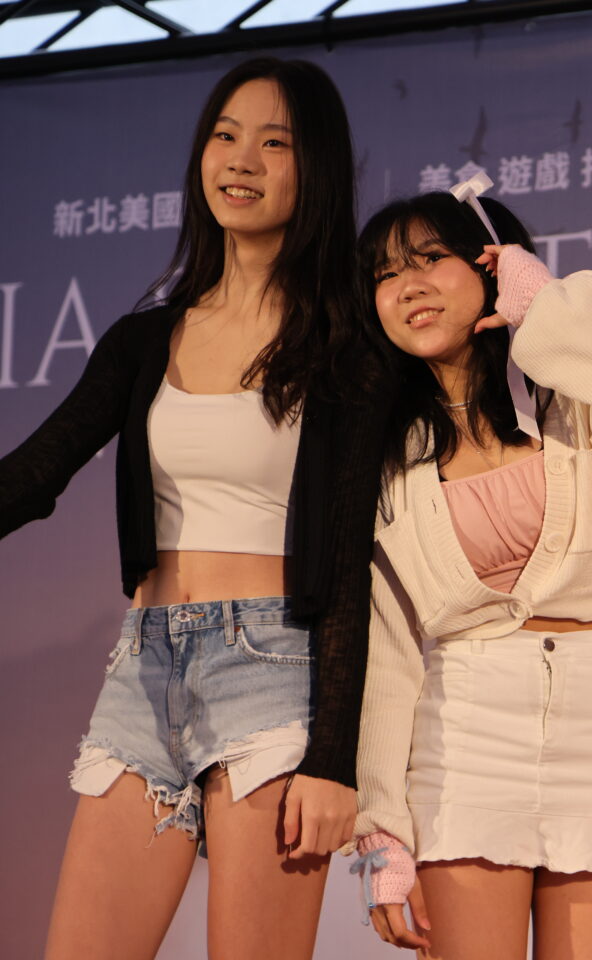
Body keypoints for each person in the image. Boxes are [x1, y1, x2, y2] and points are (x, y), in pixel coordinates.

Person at [0, 58, 387, 958]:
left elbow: (346, 563)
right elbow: (33, 475)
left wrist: (334, 760)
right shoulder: (146, 339)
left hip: (275, 664)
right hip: (145, 662)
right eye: (224, 135)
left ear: (316, 167)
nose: (240, 159)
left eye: (274, 142)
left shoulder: (347, 345)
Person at [350, 180, 592, 959]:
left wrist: (548, 308)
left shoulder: (577, 404)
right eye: (385, 274)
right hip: (465, 736)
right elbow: (386, 654)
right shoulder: (381, 459)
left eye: (430, 259)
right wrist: (381, 831)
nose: (408, 286)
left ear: (489, 265)